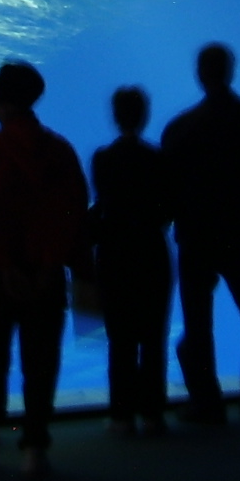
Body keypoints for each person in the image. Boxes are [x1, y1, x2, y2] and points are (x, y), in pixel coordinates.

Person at [0, 61, 90, 477]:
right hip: (47, 276)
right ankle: (35, 447)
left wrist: (5, 266)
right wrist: (49, 266)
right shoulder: (60, 150)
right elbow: (71, 215)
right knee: (41, 361)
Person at [161, 42, 240, 423]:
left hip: (195, 236)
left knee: (198, 323)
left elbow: (169, 186)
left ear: (199, 73)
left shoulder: (179, 128)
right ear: (230, 71)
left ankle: (206, 401)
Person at [91, 85, 173, 434]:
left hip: (114, 255)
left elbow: (103, 203)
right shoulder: (159, 159)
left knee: (120, 339)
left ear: (115, 115)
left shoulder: (102, 159)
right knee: (153, 337)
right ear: (145, 115)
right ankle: (152, 414)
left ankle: (121, 415)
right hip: (152, 254)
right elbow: (167, 211)